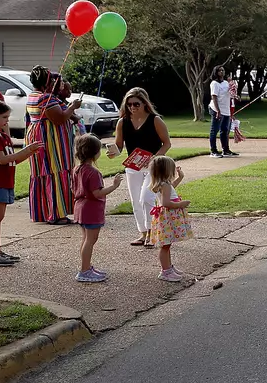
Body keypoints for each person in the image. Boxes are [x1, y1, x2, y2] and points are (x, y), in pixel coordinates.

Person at [108, 87, 171, 249]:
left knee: (147, 198)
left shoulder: (155, 120)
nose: (132, 108)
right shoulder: (123, 122)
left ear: (145, 103)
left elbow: (167, 143)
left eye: (136, 104)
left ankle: (152, 231)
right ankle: (143, 233)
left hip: (153, 166)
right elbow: (119, 145)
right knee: (136, 201)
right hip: (133, 166)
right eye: (129, 105)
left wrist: (154, 158)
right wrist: (114, 151)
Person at [25, 67, 77, 226]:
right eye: (52, 80)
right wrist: (73, 106)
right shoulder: (46, 98)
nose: (55, 83)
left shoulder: (33, 96)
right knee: (55, 171)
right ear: (46, 82)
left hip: (38, 136)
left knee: (43, 172)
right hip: (51, 140)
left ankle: (43, 211)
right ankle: (56, 214)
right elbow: (59, 119)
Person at [71, 134, 122, 283]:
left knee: (86, 239)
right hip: (91, 209)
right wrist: (114, 186)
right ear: (95, 153)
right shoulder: (93, 172)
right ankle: (84, 271)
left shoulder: (77, 169)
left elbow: (74, 189)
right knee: (91, 240)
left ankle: (86, 266)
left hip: (80, 207)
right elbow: (97, 193)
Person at [0, 104, 41, 265]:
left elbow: (13, 159)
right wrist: (25, 151)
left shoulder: (5, 137)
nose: (7, 121)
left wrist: (29, 152)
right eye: (4, 117)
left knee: (0, 218)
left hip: (7, 181)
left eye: (8, 117)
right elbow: (1, 159)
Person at [145, 154, 191, 282]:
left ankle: (169, 268)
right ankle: (165, 271)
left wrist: (180, 177)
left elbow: (171, 189)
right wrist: (181, 204)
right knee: (165, 246)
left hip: (167, 218)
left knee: (167, 244)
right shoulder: (164, 185)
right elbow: (166, 203)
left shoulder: (164, 184)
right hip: (167, 218)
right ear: (166, 170)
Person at [208, 65, 235, 157]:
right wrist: (218, 111)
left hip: (226, 109)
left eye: (223, 70)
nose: (222, 72)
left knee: (225, 130)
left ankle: (226, 150)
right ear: (216, 72)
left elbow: (229, 94)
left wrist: (235, 96)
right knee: (214, 130)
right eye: (220, 71)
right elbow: (214, 97)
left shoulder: (226, 83)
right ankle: (213, 151)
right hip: (216, 109)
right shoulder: (214, 83)